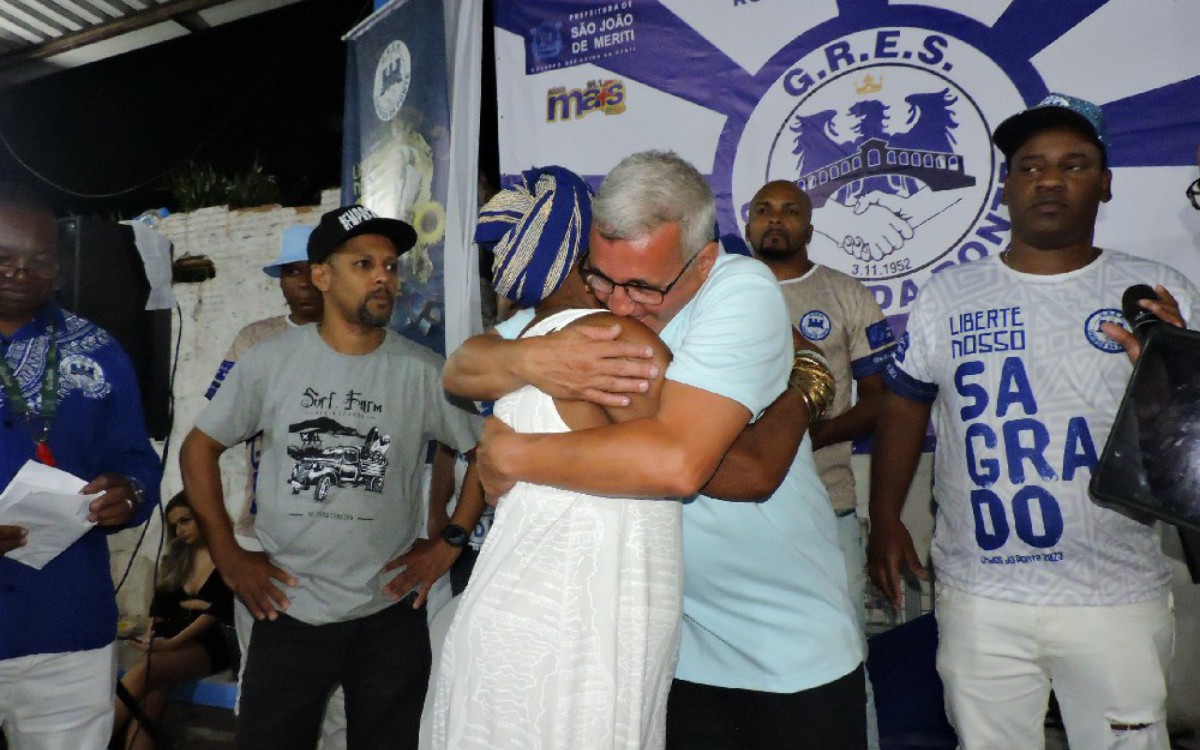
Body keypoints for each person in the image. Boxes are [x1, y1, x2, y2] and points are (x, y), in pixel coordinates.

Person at [444, 152, 866, 749]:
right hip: (666, 650)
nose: (617, 304)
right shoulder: (587, 314)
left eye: (642, 285)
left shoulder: (738, 287)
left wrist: (516, 456)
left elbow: (693, 465)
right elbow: (460, 367)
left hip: (783, 650)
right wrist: (527, 358)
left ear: (704, 261)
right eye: (600, 275)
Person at [868, 94, 1199, 750]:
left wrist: (1174, 362)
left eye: (1074, 164)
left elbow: (1187, 435)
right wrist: (884, 520)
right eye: (1030, 166)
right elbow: (905, 403)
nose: (1050, 179)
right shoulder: (948, 295)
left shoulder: (1158, 291)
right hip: (982, 595)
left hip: (1115, 591)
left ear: (1105, 184)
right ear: (1006, 188)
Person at [180, 204, 483, 750]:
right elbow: (199, 448)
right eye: (363, 264)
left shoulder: (423, 371)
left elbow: (486, 455)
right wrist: (227, 553)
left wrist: (449, 545)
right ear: (322, 275)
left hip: (388, 611)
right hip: (286, 607)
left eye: (390, 267)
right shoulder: (268, 361)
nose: (383, 279)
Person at [432, 166, 684, 749]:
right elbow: (683, 461)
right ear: (584, 244)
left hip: (515, 620)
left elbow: (462, 366)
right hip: (581, 630)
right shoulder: (613, 340)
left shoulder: (524, 343)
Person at [0, 182, 162, 748]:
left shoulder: (98, 350)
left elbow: (135, 458)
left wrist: (130, 492)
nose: (21, 272)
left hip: (65, 625)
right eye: (4, 257)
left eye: (39, 260)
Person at [745, 179, 892, 749]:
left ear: (810, 225)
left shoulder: (846, 294)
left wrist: (805, 440)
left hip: (826, 507)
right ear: (749, 221)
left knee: (843, 649)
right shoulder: (723, 291)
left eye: (790, 211)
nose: (775, 220)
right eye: (764, 211)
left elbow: (882, 399)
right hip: (736, 512)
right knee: (743, 655)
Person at [204, 223, 351, 749]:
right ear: (281, 281)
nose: (304, 283)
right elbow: (217, 425)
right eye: (291, 272)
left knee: (341, 692)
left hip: (345, 542)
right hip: (261, 538)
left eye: (313, 270)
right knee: (264, 674)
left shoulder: (362, 338)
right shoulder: (255, 341)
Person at [112, 492, 233, 750]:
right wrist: (153, 635)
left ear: (205, 516)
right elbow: (160, 608)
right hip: (172, 641)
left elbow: (214, 614)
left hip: (211, 643)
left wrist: (172, 642)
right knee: (153, 691)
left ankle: (93, 740)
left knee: (149, 669)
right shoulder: (177, 559)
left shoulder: (228, 557)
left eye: (186, 521)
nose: (179, 530)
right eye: (175, 525)